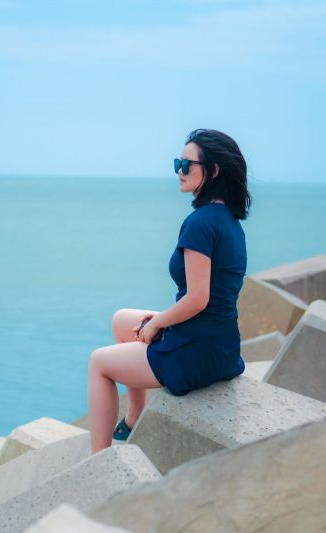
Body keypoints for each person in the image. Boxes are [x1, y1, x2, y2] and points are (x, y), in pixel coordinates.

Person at [86, 128, 251, 454]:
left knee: (98, 363)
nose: (179, 170)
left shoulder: (200, 224)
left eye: (187, 164)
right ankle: (135, 416)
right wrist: (160, 320)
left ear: (213, 170)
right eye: (178, 163)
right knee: (122, 321)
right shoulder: (228, 220)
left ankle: (99, 461)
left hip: (194, 352)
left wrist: (159, 323)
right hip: (222, 345)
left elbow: (197, 299)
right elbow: (209, 299)